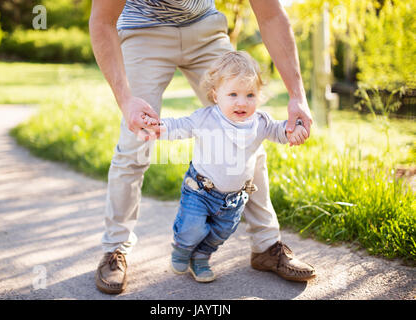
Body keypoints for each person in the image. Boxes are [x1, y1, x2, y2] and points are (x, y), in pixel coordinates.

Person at [89, 0, 315, 294]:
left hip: (204, 28)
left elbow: (271, 14)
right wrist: (125, 99)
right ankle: (114, 249)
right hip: (144, 31)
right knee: (136, 140)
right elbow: (102, 21)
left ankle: (266, 246)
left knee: (247, 133)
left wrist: (298, 94)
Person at [142, 51, 310, 283]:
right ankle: (182, 248)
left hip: (234, 198)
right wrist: (159, 128)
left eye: (250, 94)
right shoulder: (206, 118)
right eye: (233, 94)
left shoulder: (261, 122)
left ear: (259, 96)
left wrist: (294, 131)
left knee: (220, 233)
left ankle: (201, 258)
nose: (242, 102)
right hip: (200, 190)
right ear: (215, 95)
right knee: (192, 228)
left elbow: (280, 131)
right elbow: (180, 125)